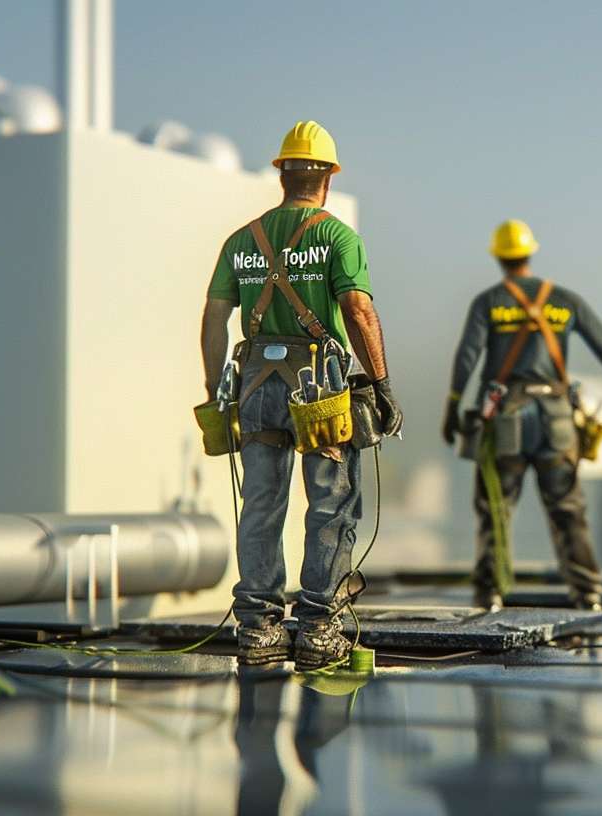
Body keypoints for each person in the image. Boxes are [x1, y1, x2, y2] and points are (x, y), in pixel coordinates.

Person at [200, 121, 402, 671]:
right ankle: (317, 628)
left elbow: (215, 318)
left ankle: (261, 630)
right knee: (331, 505)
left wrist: (217, 388)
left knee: (261, 503)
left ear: (283, 175)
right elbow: (358, 311)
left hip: (255, 388)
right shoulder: (337, 238)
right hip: (319, 388)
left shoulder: (242, 241)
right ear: (328, 181)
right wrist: (381, 386)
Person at [442, 219, 602, 611]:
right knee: (568, 508)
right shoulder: (565, 300)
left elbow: (467, 356)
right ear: (530, 253)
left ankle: (490, 591)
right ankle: (587, 591)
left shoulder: (489, 302)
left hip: (507, 419)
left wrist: (453, 408)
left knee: (496, 508)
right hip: (556, 419)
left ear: (499, 257)